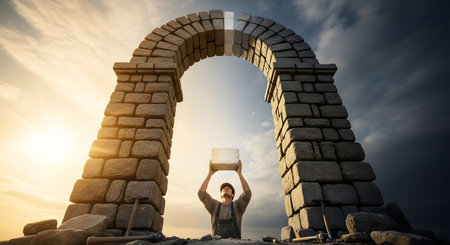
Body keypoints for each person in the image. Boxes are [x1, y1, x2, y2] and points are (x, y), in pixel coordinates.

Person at [198, 160, 251, 239]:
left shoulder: (238, 205)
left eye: (229, 188)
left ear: (232, 194)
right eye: (223, 188)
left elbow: (247, 194)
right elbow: (201, 194)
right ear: (220, 194)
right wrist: (210, 174)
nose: (226, 189)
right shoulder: (213, 205)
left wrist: (239, 174)